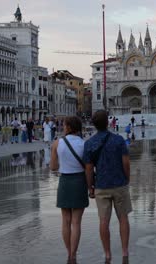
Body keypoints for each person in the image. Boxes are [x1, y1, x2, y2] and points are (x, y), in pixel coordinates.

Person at [83, 110, 132, 264]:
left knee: (103, 221)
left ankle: (107, 254)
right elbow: (126, 162)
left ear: (94, 125)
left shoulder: (89, 143)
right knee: (123, 218)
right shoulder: (118, 140)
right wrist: (127, 179)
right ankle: (124, 252)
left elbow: (89, 169)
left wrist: (90, 187)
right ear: (108, 123)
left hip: (101, 186)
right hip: (119, 184)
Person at [50, 116, 87, 264]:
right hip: (79, 181)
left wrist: (62, 162)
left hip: (64, 181)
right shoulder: (84, 144)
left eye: (64, 125)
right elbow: (89, 167)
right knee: (76, 222)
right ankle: (73, 254)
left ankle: (68, 254)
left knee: (65, 221)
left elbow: (53, 167)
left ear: (69, 127)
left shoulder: (57, 143)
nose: (63, 127)